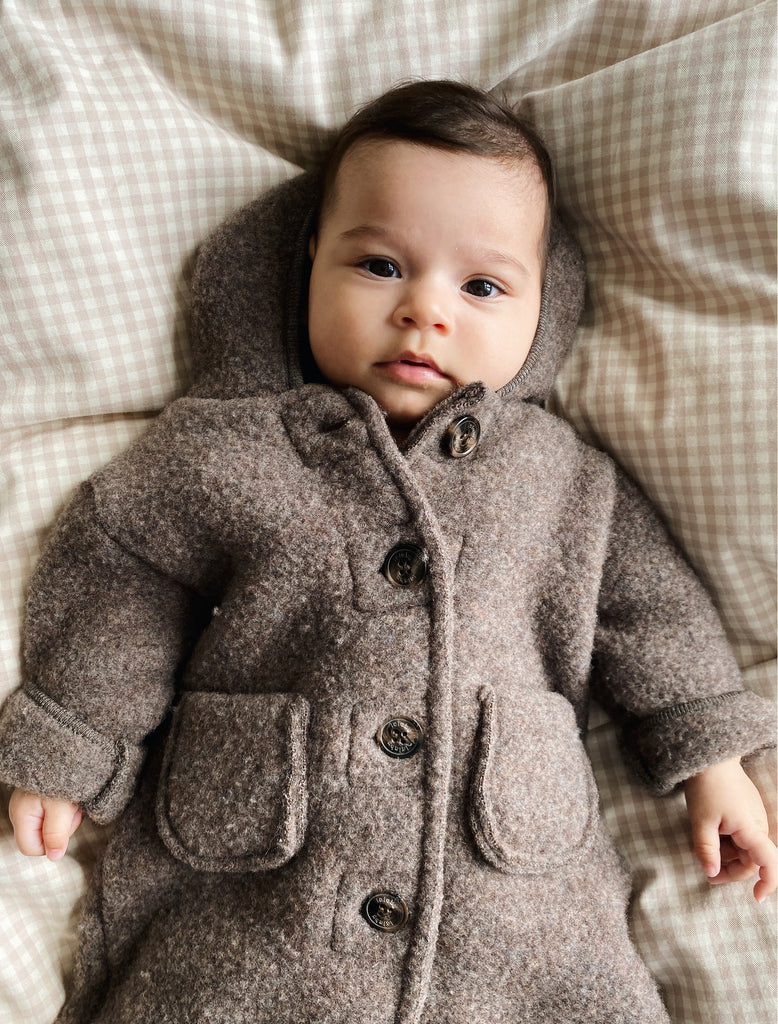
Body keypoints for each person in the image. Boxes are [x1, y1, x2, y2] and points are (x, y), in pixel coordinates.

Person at [0, 80, 774, 1024]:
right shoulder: (224, 447)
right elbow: (127, 577)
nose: (424, 312)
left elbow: (649, 610)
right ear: (306, 265)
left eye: (481, 286)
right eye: (378, 266)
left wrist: (712, 760)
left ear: (545, 305)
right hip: (262, 873)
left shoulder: (561, 477)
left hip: (513, 887)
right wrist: (72, 739)